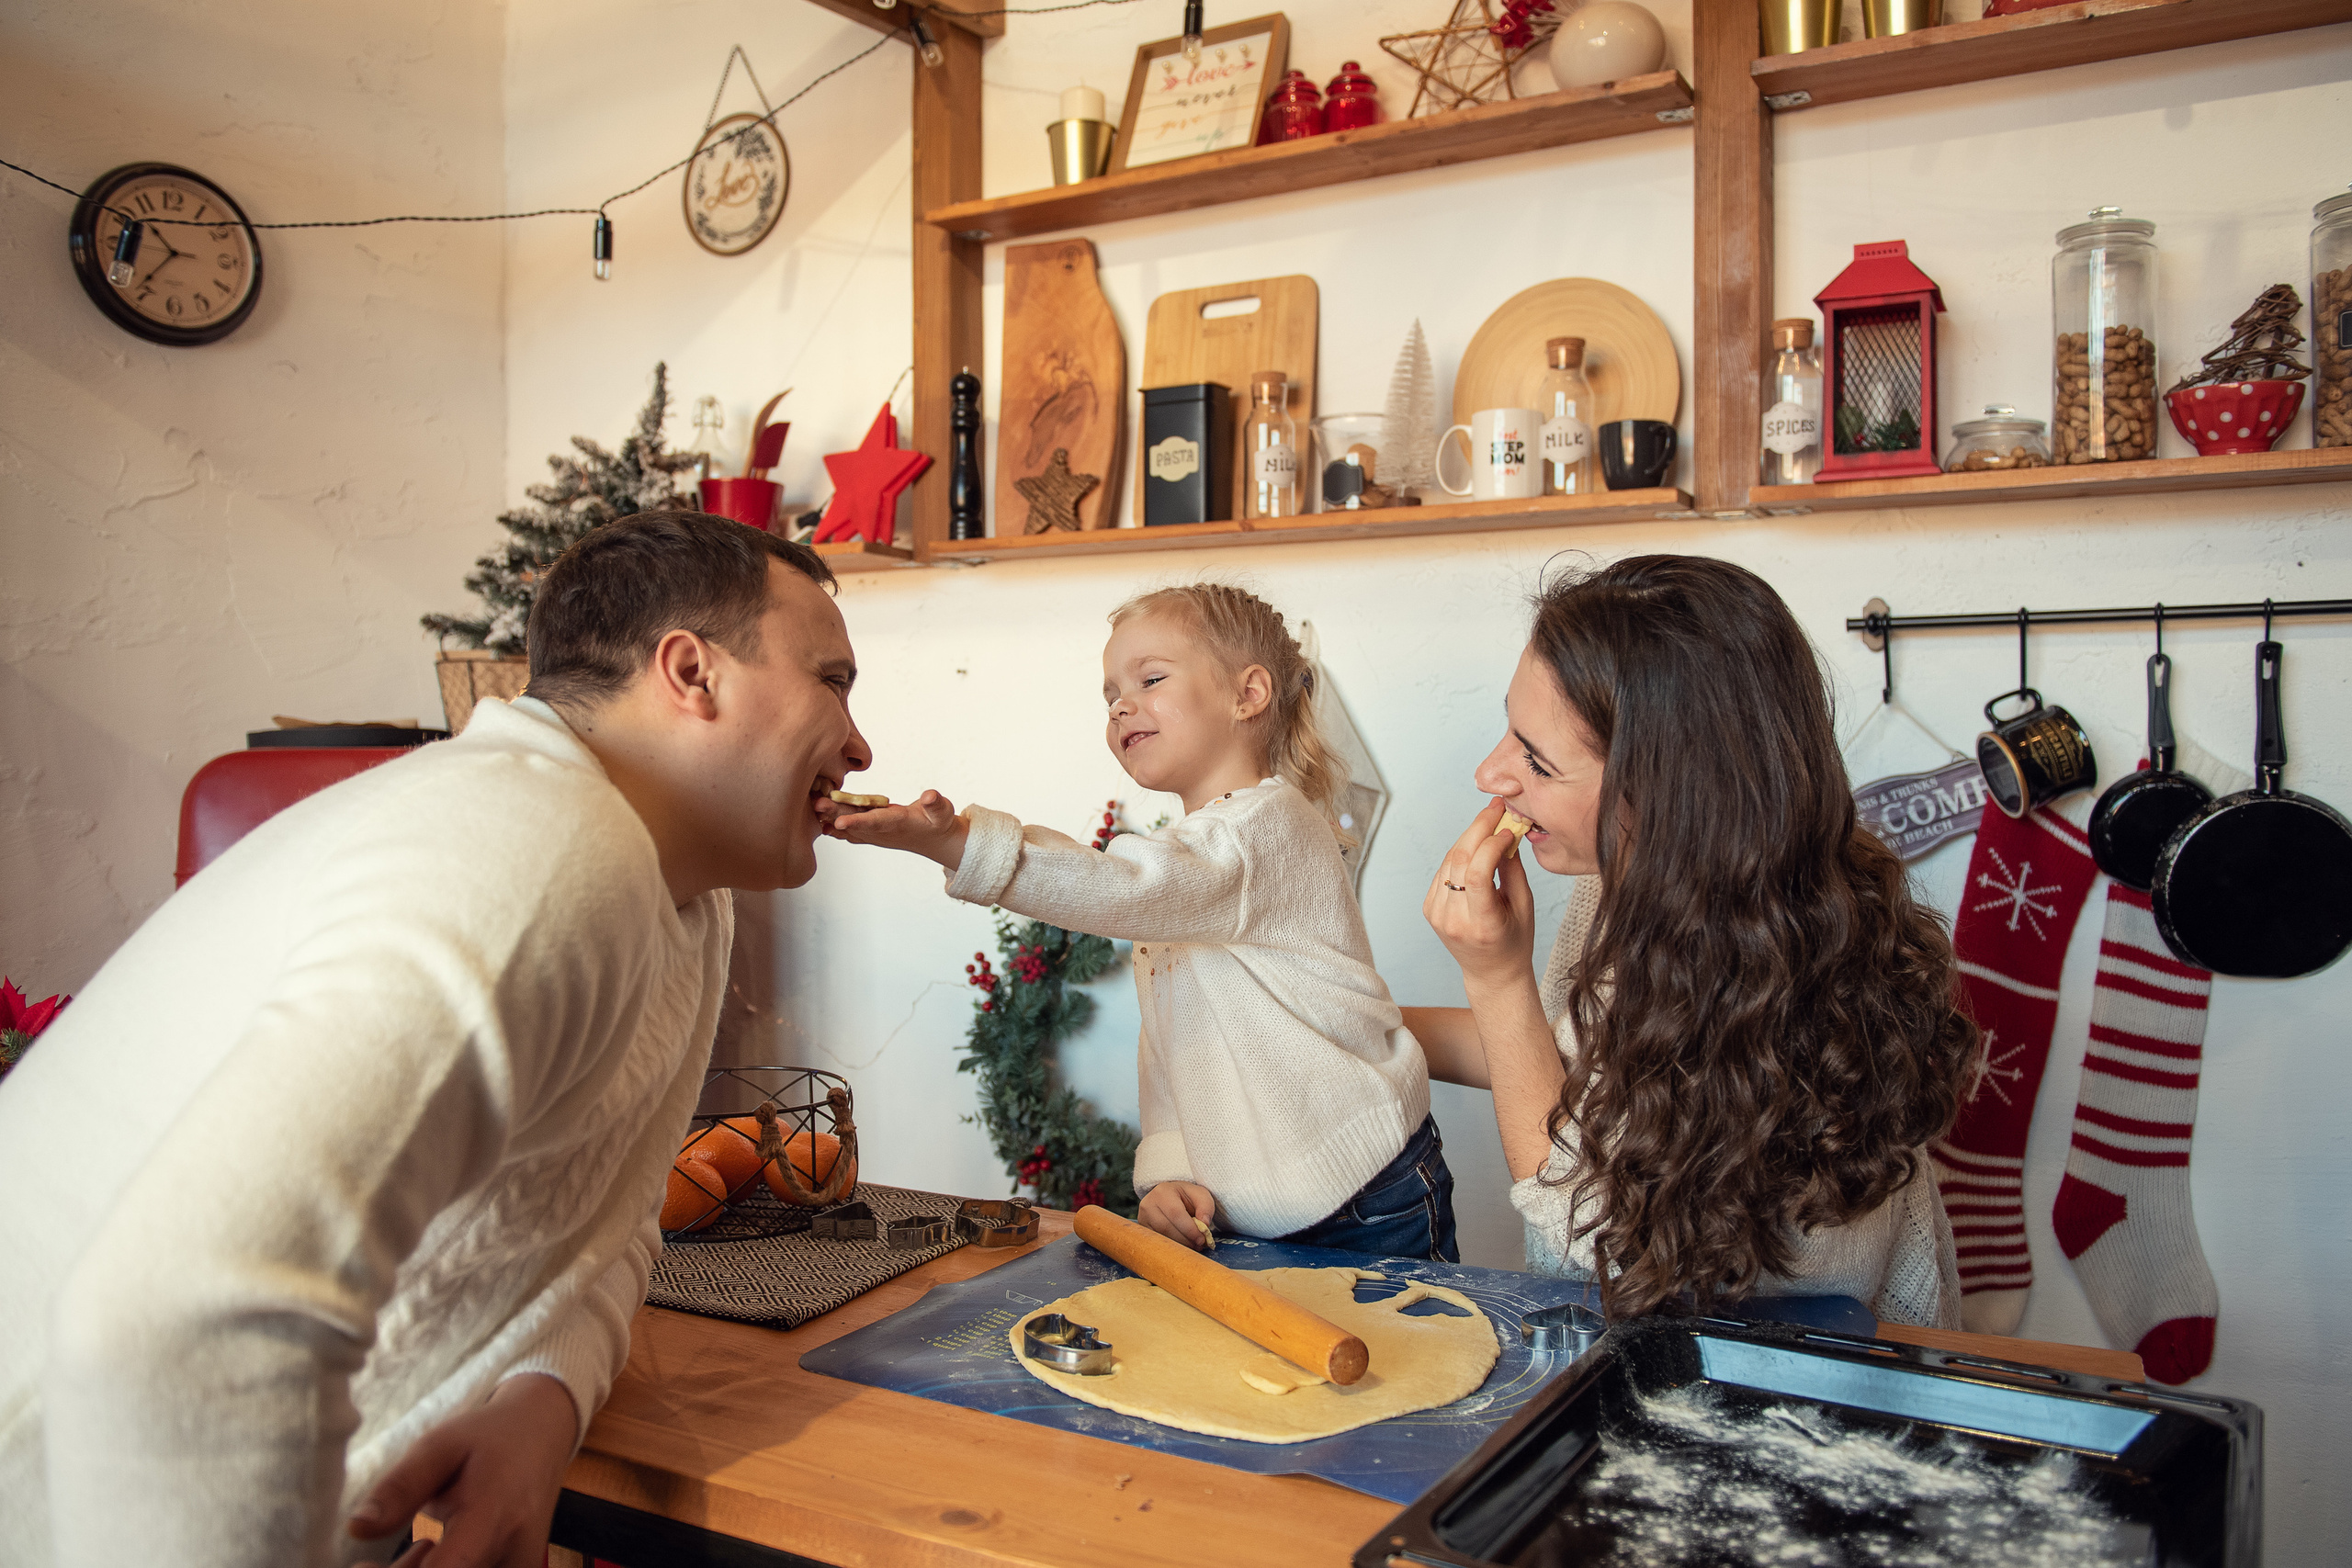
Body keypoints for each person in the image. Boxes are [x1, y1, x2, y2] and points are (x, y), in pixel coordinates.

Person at [0, 512, 872, 1568]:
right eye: (832, 683)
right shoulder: (536, 846)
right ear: (693, 673)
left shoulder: (683, 897)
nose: (859, 746)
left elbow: (611, 1218)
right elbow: (172, 1331)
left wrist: (543, 1398)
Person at [1410, 555, 1973, 1326]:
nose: (1490, 773)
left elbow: (1582, 1232)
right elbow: (1565, 1068)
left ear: (1666, 794)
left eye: (1537, 761)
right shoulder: (1629, 881)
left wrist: (1496, 979)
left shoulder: (1782, 978)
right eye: (1512, 728)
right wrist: (1360, 1024)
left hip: (1775, 1366)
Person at [825, 583, 1453, 1260]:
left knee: (1408, 1333)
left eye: (1150, 679)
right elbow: (1176, 1046)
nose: (1121, 705)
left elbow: (1121, 884)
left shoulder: (1267, 826)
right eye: (1110, 696)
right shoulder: (1198, 861)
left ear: (1248, 694)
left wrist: (952, 841)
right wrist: (1172, 1171)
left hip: (1366, 1191)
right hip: (1263, 1210)